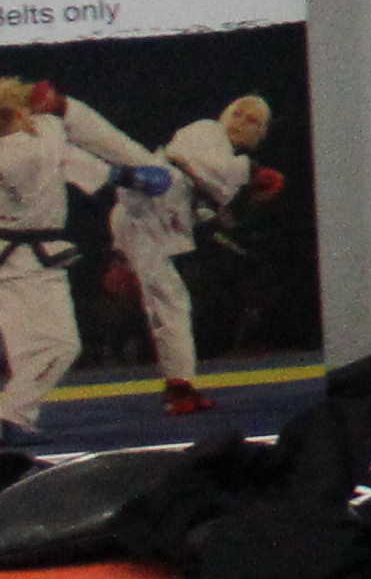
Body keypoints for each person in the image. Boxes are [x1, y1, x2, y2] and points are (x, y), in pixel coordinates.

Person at [105, 93, 283, 418]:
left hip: (148, 217)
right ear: (224, 114)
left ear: (261, 133)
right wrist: (254, 173)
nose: (241, 122)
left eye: (252, 121)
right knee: (171, 302)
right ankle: (179, 388)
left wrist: (251, 194)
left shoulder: (221, 166)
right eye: (237, 113)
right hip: (154, 198)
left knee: (169, 302)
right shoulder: (205, 131)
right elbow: (205, 168)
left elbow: (210, 213)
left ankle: (179, 387)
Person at [0, 76, 141, 446]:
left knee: (31, 349)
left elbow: (68, 159)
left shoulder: (43, 139)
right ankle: (13, 415)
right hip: (22, 261)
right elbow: (50, 153)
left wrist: (125, 175)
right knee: (59, 344)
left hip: (32, 259)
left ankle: (14, 416)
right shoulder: (36, 141)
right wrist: (53, 112)